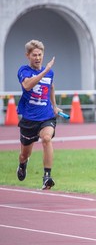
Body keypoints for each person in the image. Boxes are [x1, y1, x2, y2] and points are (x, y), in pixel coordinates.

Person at [16, 39, 63, 190]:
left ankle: (47, 176)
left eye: (40, 55)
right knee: (25, 154)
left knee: (47, 138)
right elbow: (27, 85)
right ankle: (23, 164)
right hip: (29, 119)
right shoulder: (24, 71)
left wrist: (55, 107)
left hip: (46, 115)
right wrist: (44, 71)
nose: (38, 58)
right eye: (34, 55)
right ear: (28, 56)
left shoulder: (50, 73)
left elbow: (51, 87)